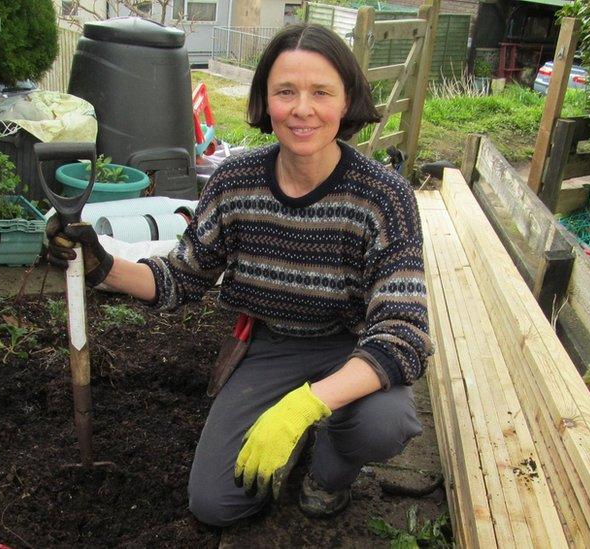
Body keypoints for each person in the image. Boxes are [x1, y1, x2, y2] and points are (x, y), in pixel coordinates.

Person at [46, 23, 432, 527]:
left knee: (384, 422)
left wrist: (305, 405)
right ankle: (295, 433)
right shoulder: (236, 182)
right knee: (215, 505)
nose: (302, 109)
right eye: (285, 92)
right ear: (264, 101)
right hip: (269, 346)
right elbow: (184, 275)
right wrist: (101, 267)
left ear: (347, 102)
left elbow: (404, 334)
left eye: (321, 92)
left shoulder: (383, 196)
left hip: (350, 346)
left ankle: (328, 473)